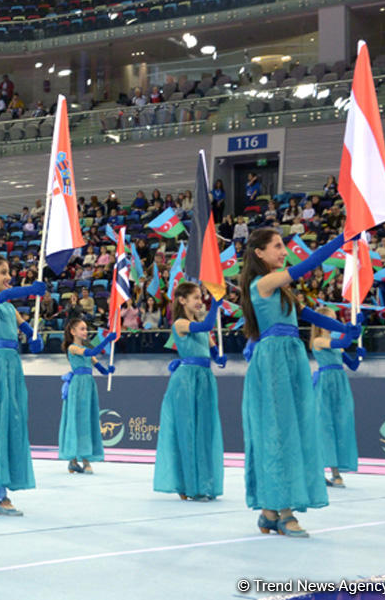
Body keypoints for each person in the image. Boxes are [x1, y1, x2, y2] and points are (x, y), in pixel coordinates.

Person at [238, 228, 359, 538]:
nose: (283, 251)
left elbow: (312, 318)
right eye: (277, 246)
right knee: (279, 433)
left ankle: (269, 511)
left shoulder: (282, 292)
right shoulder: (262, 283)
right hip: (274, 362)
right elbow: (306, 266)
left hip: (291, 361)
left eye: (283, 246)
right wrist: (342, 239)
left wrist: (346, 330)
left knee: (292, 430)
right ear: (259, 253)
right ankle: (284, 510)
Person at [0, 255, 46, 517]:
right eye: (3, 272)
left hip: (12, 368)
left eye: (9, 272)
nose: (8, 277)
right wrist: (26, 290)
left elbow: (28, 332)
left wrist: (34, 339)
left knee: (10, 424)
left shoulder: (10, 308)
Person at [153, 282, 225, 502]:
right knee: (187, 431)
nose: (199, 301)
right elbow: (205, 328)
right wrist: (215, 304)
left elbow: (211, 346)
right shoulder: (181, 323)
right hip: (186, 381)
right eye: (196, 297)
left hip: (204, 379)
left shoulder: (201, 323)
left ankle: (203, 482)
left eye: (201, 298)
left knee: (203, 432)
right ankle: (189, 484)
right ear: (182, 300)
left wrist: (218, 356)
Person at [309, 306, 362, 489]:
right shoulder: (318, 341)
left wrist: (359, 357)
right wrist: (353, 329)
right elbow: (343, 343)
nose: (335, 323)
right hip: (325, 385)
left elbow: (352, 365)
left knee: (342, 424)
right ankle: (333, 473)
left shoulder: (333, 340)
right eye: (332, 319)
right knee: (326, 427)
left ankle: (333, 471)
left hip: (340, 384)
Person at [59, 318, 116, 475]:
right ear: (73, 331)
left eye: (86, 329)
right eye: (82, 329)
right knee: (77, 420)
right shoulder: (73, 348)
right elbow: (92, 352)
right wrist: (107, 340)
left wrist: (109, 370)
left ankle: (76, 461)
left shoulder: (85, 349)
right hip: (78, 386)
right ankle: (80, 459)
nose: (85, 332)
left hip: (89, 386)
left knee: (87, 420)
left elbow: (101, 369)